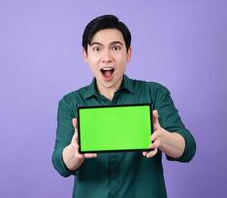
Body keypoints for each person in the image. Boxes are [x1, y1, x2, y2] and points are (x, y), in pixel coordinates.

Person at [52, 14, 196, 198]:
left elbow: (188, 149)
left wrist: (163, 137)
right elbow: (60, 164)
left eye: (116, 48)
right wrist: (75, 151)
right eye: (97, 48)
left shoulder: (154, 93)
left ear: (129, 53)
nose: (107, 57)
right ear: (85, 55)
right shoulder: (70, 102)